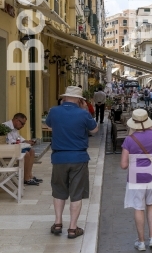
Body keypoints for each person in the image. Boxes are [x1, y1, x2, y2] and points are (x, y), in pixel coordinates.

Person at [45, 86, 98, 239]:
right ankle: (73, 228)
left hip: (59, 158)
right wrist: (86, 111)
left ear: (65, 97)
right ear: (80, 100)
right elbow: (94, 130)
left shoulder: (54, 111)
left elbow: (49, 125)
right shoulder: (83, 113)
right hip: (78, 158)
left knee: (59, 191)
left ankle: (57, 223)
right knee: (76, 193)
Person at [120, 109, 152, 251]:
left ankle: (141, 242)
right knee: (151, 204)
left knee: (139, 207)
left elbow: (123, 165)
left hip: (136, 177)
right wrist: (150, 130)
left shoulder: (129, 140)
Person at [3, 113, 43, 186]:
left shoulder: (15, 128)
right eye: (22, 124)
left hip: (14, 149)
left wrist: (26, 141)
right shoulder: (5, 127)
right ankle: (26, 179)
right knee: (26, 154)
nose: (22, 126)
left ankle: (29, 176)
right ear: (16, 120)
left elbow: (18, 137)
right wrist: (23, 142)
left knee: (31, 151)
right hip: (7, 150)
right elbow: (10, 141)